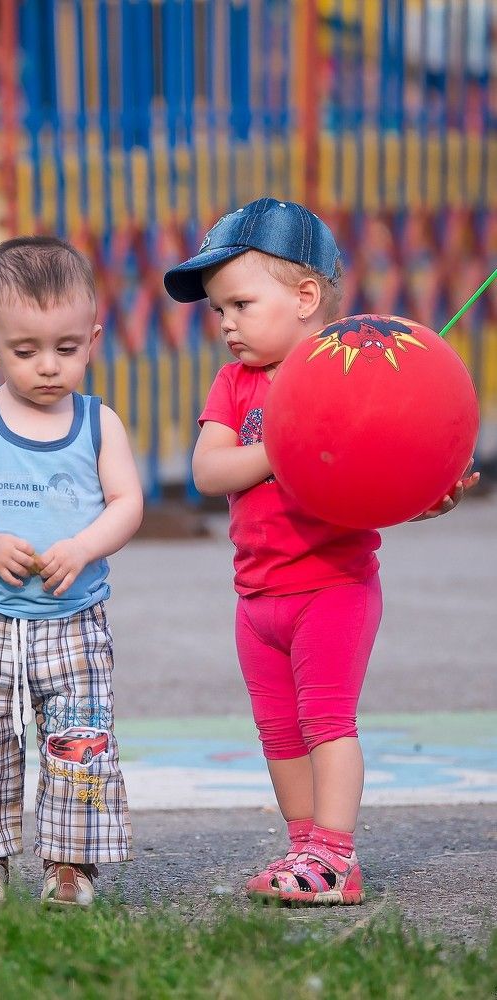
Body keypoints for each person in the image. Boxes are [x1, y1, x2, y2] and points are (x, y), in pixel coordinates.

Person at [164, 198, 479, 906]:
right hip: (257, 597)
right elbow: (210, 471)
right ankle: (304, 847)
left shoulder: (352, 379)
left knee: (327, 722)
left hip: (333, 586)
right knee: (279, 732)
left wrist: (427, 494)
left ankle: (336, 859)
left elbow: (380, 480)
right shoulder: (236, 385)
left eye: (241, 304)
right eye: (218, 312)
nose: (227, 325)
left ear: (307, 297)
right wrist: (285, 445)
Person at [0, 235, 143, 907]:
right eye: (26, 352)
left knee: (78, 742)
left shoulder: (97, 423)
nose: (48, 367)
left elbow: (127, 502)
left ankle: (71, 863)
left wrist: (84, 546)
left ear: (93, 340)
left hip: (72, 619)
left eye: (67, 349)